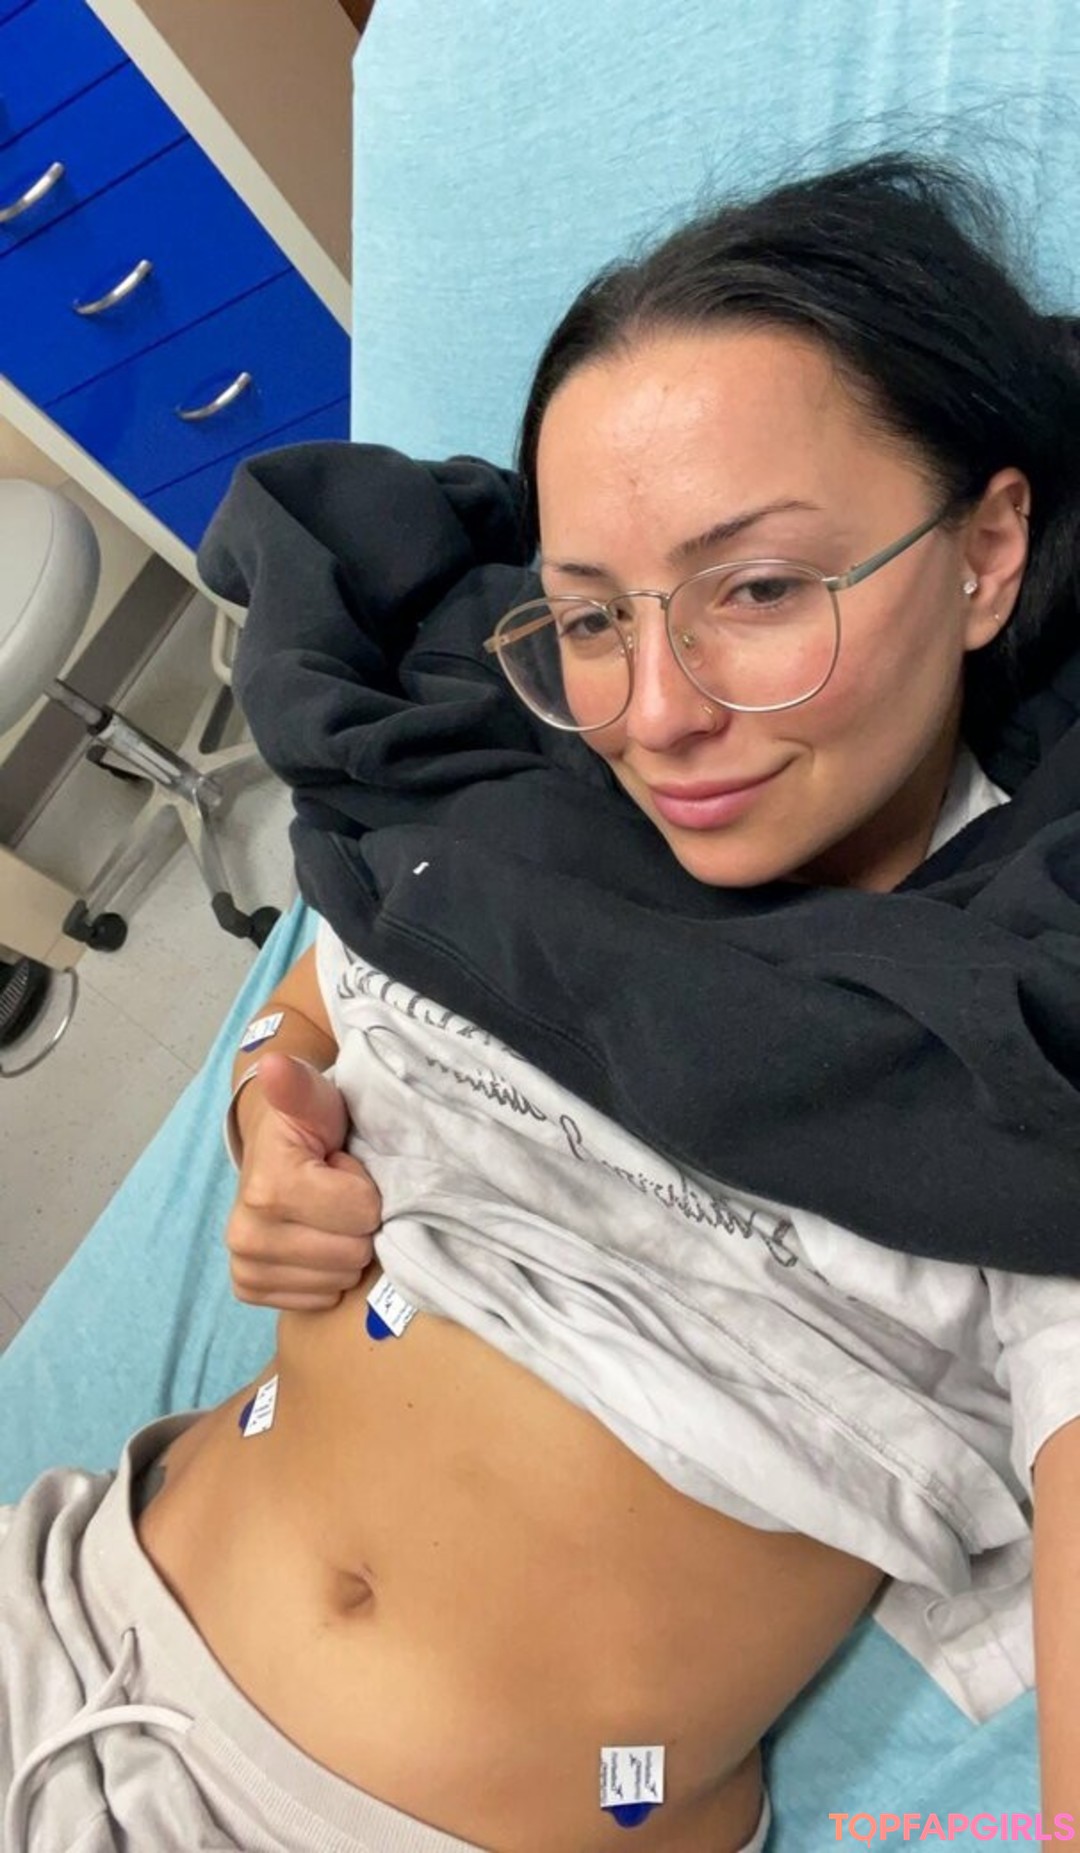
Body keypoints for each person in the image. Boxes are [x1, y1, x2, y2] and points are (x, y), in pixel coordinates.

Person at [3, 152, 1080, 1853]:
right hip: (64, 1602)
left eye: (758, 588)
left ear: (987, 551)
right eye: (587, 615)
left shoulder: (1018, 1033)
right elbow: (327, 987)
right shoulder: (515, 794)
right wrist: (270, 1105)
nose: (655, 715)